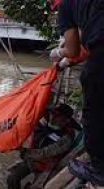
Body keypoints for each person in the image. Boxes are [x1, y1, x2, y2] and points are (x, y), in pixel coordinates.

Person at [49, 0, 104, 185]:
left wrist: (59, 53)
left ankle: (99, 169)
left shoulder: (66, 5)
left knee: (94, 110)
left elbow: (72, 49)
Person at [7, 104, 81, 189]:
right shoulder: (43, 122)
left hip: (49, 167)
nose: (52, 117)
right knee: (12, 178)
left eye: (57, 116)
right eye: (53, 113)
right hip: (32, 161)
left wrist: (24, 151)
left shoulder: (67, 137)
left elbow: (46, 152)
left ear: (66, 120)